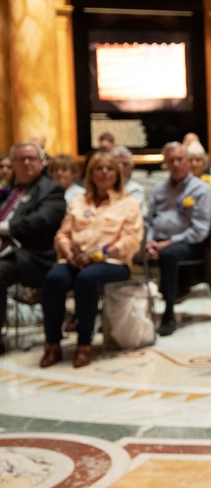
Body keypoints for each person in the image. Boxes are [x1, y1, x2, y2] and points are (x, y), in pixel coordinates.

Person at [39, 152, 143, 369]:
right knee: (53, 279)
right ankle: (52, 343)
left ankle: (84, 344)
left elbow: (132, 240)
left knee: (87, 279)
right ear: (90, 174)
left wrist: (101, 254)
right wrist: (68, 253)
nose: (104, 172)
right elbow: (63, 234)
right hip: (75, 260)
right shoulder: (78, 202)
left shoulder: (128, 203)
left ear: (117, 174)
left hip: (113, 263)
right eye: (98, 168)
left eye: (109, 168)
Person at [0, 141, 66, 356]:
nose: (27, 163)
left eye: (32, 158)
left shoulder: (51, 189)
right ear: (13, 163)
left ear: (41, 162)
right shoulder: (8, 188)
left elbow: (42, 221)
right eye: (21, 159)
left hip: (31, 255)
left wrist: (3, 229)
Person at [145, 142, 211, 336]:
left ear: (188, 162)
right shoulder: (159, 189)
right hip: (157, 242)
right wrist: (149, 242)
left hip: (189, 243)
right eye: (171, 160)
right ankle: (127, 312)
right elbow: (149, 220)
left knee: (168, 255)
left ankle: (168, 313)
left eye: (180, 159)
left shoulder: (201, 190)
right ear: (166, 164)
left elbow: (200, 230)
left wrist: (169, 242)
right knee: (126, 249)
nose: (176, 164)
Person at [186, 142, 211, 214]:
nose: (194, 164)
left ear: (204, 163)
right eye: (190, 160)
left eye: (198, 160)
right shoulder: (181, 182)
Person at [110, 146, 146, 215]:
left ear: (131, 168)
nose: (120, 168)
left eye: (125, 164)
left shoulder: (136, 189)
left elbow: (129, 214)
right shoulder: (102, 187)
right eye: (117, 164)